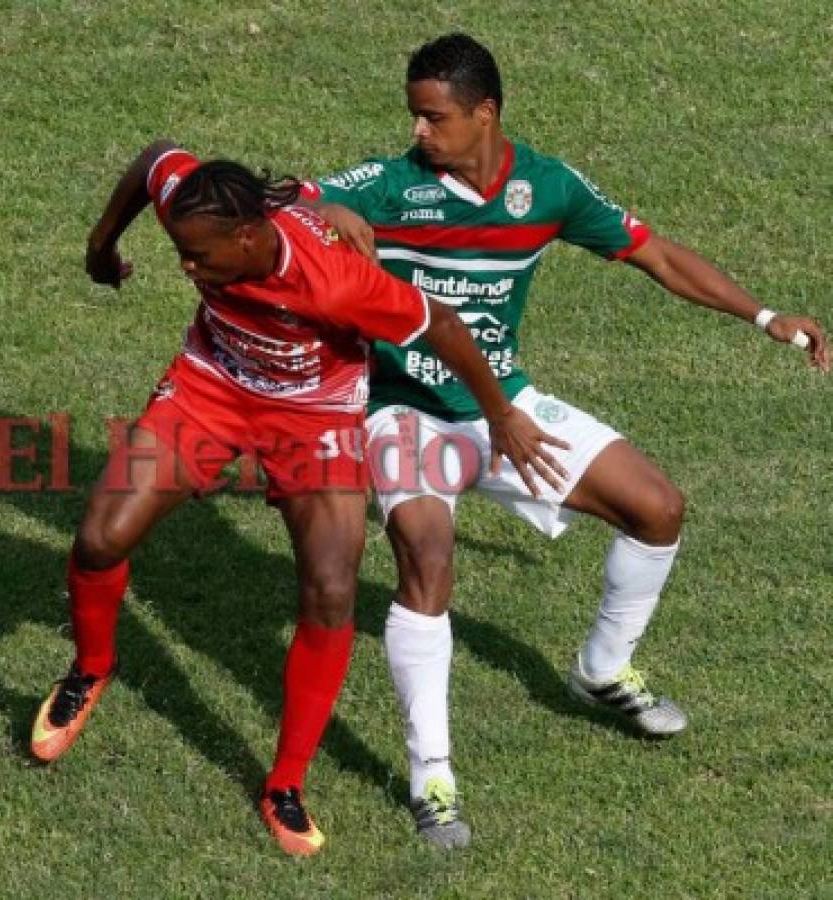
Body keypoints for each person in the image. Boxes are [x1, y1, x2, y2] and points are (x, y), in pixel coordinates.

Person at [303, 33, 829, 849]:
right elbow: (294, 199)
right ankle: (431, 778)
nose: (417, 131)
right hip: (402, 410)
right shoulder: (394, 185)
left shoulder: (545, 188)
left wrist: (764, 317)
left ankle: (601, 671)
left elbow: (652, 253)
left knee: (657, 509)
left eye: (432, 116)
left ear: (485, 113)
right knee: (426, 555)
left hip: (504, 405)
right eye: (412, 114)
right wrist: (329, 209)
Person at [29, 140, 566, 856]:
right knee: (99, 537)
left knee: (331, 590)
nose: (186, 268)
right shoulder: (199, 204)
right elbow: (155, 157)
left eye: (198, 257)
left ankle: (284, 784)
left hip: (314, 419)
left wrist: (499, 414)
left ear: (248, 238)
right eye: (181, 253)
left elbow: (438, 325)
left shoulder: (335, 280)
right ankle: (91, 669)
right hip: (210, 390)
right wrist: (100, 246)